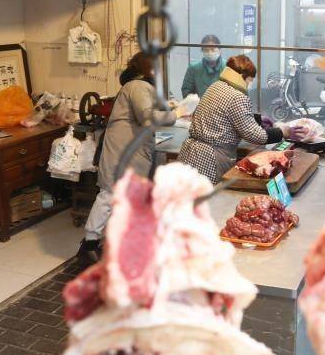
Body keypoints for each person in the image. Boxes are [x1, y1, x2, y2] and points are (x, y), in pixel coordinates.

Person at [78, 52, 179, 265]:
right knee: (109, 194)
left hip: (128, 149)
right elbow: (147, 117)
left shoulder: (138, 86)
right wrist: (175, 114)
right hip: (123, 151)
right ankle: (89, 244)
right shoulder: (138, 86)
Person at [178, 55, 305, 184]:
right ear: (241, 76)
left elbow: (225, 114)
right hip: (210, 159)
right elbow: (255, 136)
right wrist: (283, 131)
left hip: (190, 155)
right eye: (250, 80)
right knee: (209, 194)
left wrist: (258, 119)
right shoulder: (237, 96)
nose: (249, 85)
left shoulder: (216, 86)